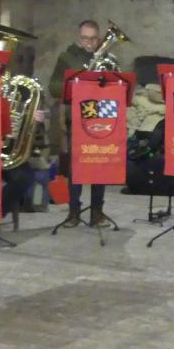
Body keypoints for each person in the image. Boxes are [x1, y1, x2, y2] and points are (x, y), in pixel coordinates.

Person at [48, 20, 111, 228]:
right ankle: (73, 212)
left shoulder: (107, 58)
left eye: (93, 38)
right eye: (85, 38)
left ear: (99, 38)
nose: (90, 43)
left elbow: (117, 86)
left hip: (101, 119)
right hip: (76, 118)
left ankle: (97, 212)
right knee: (76, 169)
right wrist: (75, 83)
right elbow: (53, 86)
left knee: (99, 167)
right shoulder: (67, 58)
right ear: (79, 38)